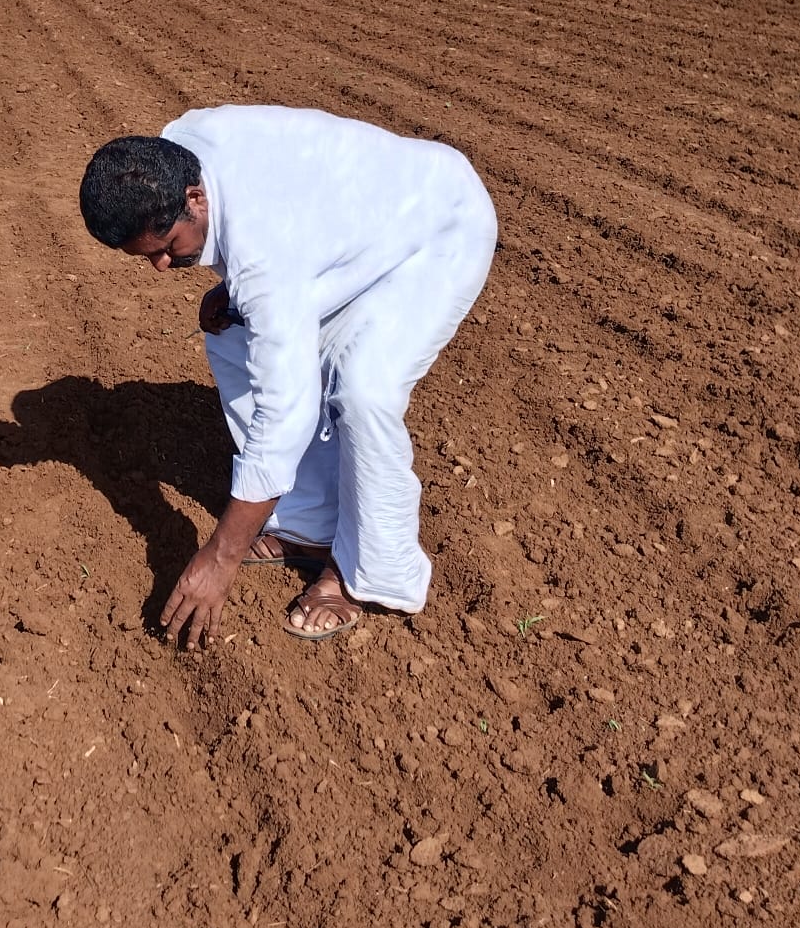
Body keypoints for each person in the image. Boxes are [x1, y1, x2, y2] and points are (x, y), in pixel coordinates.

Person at [79, 105, 496, 650]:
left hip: (437, 229)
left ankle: (370, 574)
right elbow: (293, 218)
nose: (160, 267)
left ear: (193, 198)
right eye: (146, 256)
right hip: (360, 231)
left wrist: (221, 556)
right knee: (231, 328)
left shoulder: (262, 253)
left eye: (165, 250)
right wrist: (237, 290)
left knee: (363, 389)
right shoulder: (173, 151)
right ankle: (307, 525)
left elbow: (285, 412)